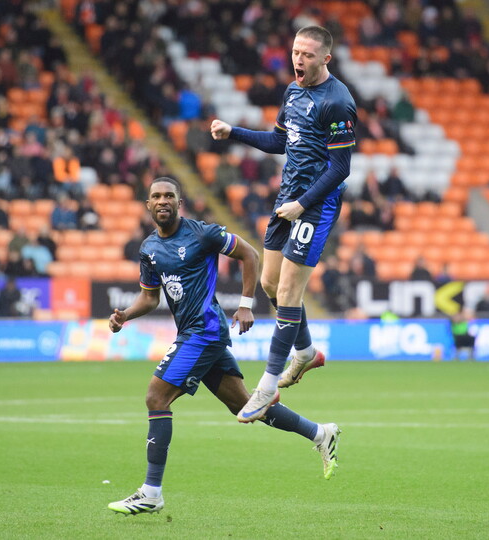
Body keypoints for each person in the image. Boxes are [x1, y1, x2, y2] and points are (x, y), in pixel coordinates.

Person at [107, 177, 341, 516]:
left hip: (205, 331)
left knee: (156, 398)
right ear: (147, 204)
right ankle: (320, 433)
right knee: (243, 404)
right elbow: (149, 296)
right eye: (156, 196)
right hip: (195, 332)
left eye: (169, 195)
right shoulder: (149, 249)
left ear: (179, 201)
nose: (162, 201)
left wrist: (245, 304)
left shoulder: (202, 233)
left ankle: (151, 492)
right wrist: (124, 316)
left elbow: (249, 254)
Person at [210, 25, 357, 422]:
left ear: (325, 58)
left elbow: (341, 168)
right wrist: (233, 132)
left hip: (316, 203)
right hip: (288, 197)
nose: (299, 60)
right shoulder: (292, 93)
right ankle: (307, 353)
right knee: (270, 283)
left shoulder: (338, 101)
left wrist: (303, 204)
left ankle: (267, 386)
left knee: (290, 291)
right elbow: (280, 141)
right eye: (295, 52)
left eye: (308, 55)